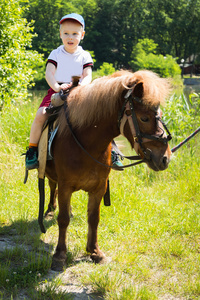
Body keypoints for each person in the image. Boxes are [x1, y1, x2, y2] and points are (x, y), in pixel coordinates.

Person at [25, 13, 123, 170]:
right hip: (58, 90)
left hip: (80, 91)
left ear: (82, 35)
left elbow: (88, 75)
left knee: (101, 117)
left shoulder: (84, 55)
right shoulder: (56, 54)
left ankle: (113, 151)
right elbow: (49, 73)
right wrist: (57, 87)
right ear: (60, 34)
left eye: (75, 34)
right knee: (41, 115)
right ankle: (32, 150)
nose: (70, 37)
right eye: (66, 33)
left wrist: (81, 87)